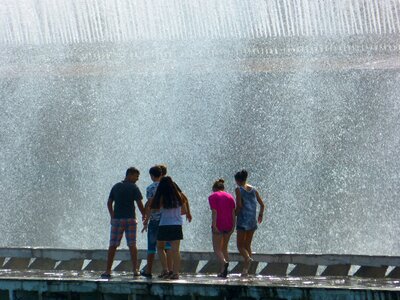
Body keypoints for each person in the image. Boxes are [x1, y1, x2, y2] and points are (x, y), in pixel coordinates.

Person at [101, 167, 145, 279]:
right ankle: (135, 270)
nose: (137, 179)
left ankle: (108, 270)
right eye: (136, 176)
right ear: (129, 175)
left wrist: (112, 216)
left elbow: (109, 202)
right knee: (132, 244)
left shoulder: (116, 186)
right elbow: (139, 204)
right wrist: (144, 215)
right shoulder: (134, 187)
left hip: (117, 220)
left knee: (113, 245)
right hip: (130, 219)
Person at [151, 176, 190, 280]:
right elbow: (184, 211)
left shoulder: (161, 197)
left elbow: (157, 209)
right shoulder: (179, 196)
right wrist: (176, 214)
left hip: (164, 224)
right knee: (175, 250)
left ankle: (165, 269)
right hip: (177, 225)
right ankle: (176, 273)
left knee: (160, 247)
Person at [140, 166, 172, 278]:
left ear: (152, 176)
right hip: (166, 221)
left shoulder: (150, 188)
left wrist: (145, 221)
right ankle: (169, 270)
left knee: (151, 247)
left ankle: (148, 271)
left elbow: (150, 206)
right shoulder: (168, 187)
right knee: (167, 246)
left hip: (154, 221)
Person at [234, 169, 265, 276]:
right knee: (247, 245)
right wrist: (260, 215)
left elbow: (239, 206)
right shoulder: (254, 190)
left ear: (237, 180)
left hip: (243, 220)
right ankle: (247, 270)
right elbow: (262, 204)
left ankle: (247, 259)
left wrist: (232, 214)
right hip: (252, 221)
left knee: (239, 246)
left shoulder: (238, 190)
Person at [208, 178, 236, 278]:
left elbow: (214, 211)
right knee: (224, 248)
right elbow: (233, 213)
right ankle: (223, 271)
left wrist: (214, 225)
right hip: (229, 224)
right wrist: (233, 226)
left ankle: (224, 263)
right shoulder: (230, 196)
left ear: (214, 188)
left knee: (217, 249)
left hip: (219, 223)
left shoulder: (213, 196)